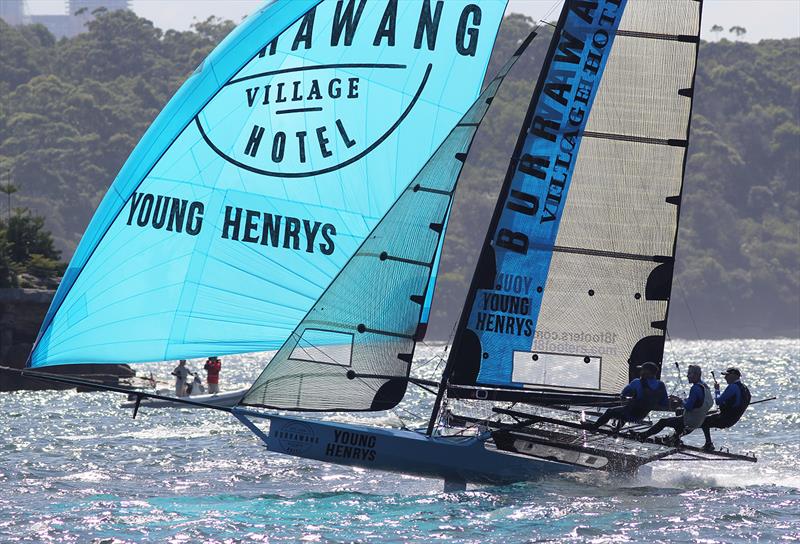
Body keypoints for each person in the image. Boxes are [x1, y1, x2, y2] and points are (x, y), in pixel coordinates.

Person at [636, 364, 714, 445]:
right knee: (679, 414)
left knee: (663, 421)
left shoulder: (695, 388)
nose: (687, 376)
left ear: (697, 375)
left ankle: (642, 436)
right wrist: (681, 400)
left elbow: (689, 407)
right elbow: (707, 402)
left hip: (690, 421)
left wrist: (680, 401)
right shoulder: (705, 386)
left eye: (689, 373)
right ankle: (675, 438)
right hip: (699, 420)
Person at [585, 362, 669, 431]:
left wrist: (627, 397)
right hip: (641, 416)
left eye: (642, 370)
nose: (640, 372)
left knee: (610, 411)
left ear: (646, 372)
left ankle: (594, 427)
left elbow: (624, 393)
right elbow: (664, 402)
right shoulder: (661, 385)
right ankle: (617, 429)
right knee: (626, 409)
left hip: (630, 414)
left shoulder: (636, 382)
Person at [701, 367, 751, 451]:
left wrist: (717, 390)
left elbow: (718, 401)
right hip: (733, 418)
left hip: (725, 419)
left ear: (734, 376)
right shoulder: (744, 388)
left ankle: (708, 444)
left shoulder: (732, 387)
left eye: (727, 375)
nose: (725, 378)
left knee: (703, 420)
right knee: (705, 415)